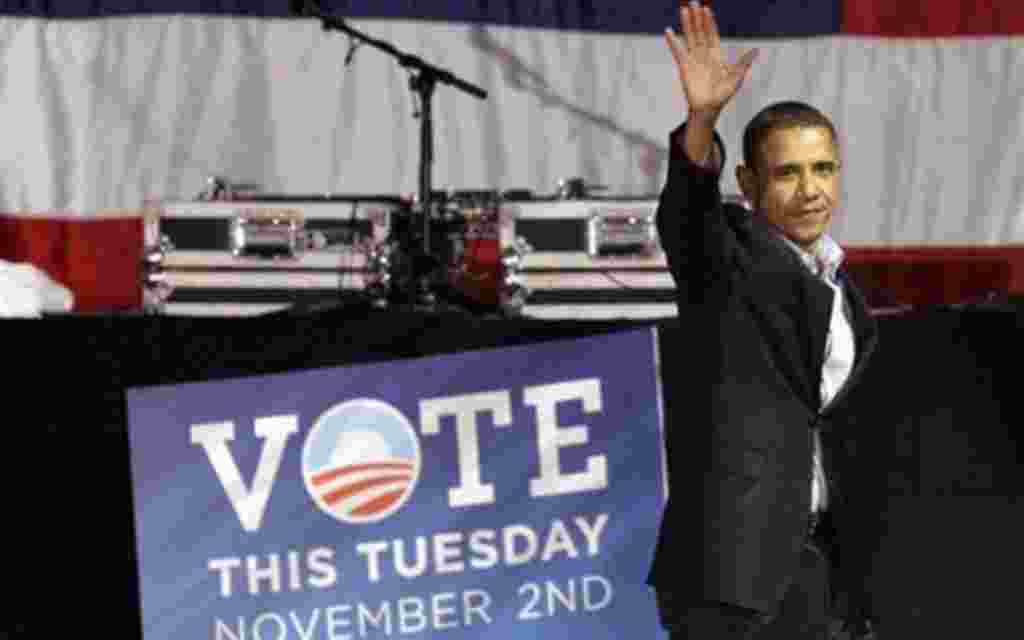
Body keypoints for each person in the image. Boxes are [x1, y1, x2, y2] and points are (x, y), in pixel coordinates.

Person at [647, 2, 881, 639]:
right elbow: (687, 216)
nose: (811, 189)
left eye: (823, 168)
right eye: (788, 173)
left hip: (820, 567)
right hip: (728, 575)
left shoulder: (842, 288)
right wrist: (702, 120)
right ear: (749, 183)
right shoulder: (726, 259)